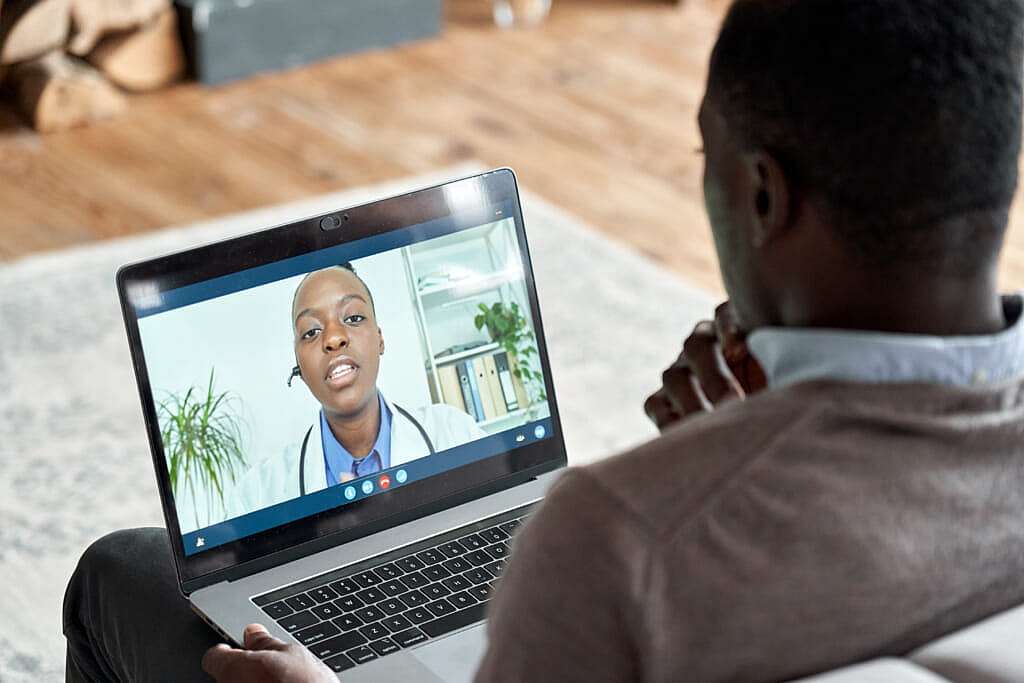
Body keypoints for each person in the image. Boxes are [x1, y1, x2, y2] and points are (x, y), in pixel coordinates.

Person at [63, 0, 1024, 680]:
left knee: (120, 570)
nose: (334, 341)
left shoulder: (616, 540)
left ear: (765, 194)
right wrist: (758, 437)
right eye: (309, 330)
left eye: (708, 157)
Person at [226, 263, 485, 516]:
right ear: (299, 368)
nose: (333, 339)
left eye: (353, 317)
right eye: (311, 331)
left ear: (380, 339)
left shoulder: (455, 432)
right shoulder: (256, 496)